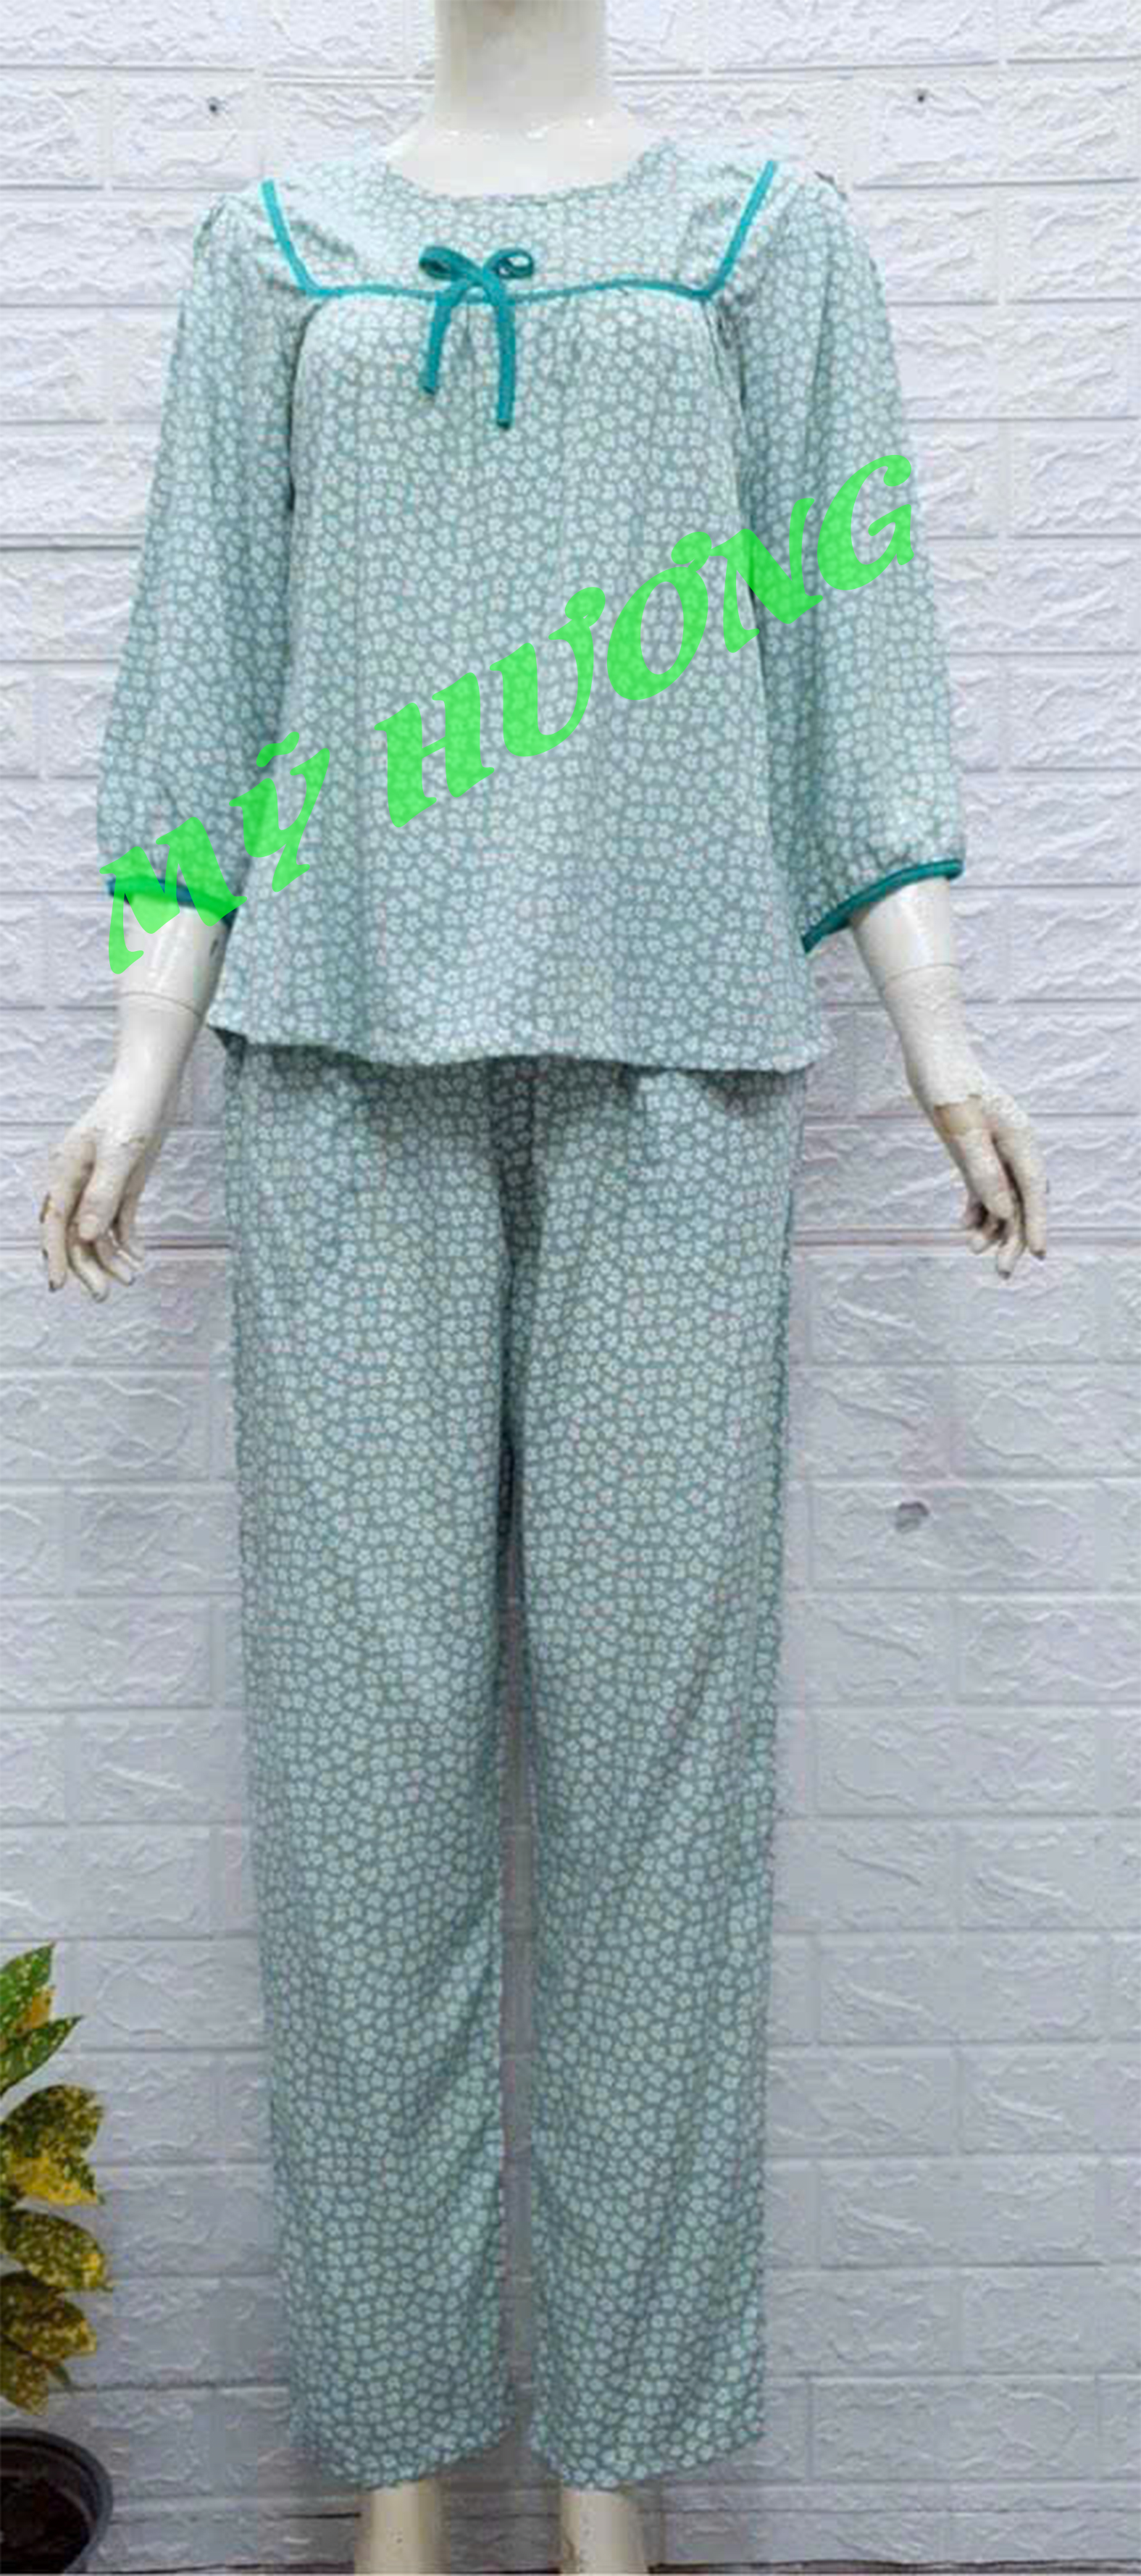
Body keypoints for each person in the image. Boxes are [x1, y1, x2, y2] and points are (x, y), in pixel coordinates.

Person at [36, 6, 1048, 2571]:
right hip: (339, 1064)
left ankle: (609, 2483)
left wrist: (937, 1030)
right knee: (360, 1792)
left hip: (677, 1061)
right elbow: (206, 659)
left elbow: (850, 635)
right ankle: (399, 2481)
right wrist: (142, 1048)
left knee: (657, 1796)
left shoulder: (764, 245)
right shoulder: (274, 253)